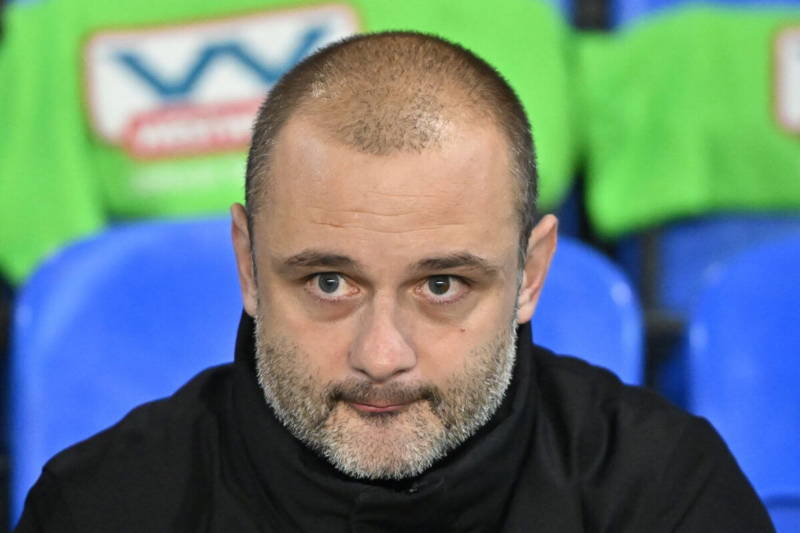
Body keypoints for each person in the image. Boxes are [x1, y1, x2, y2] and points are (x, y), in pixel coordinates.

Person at [15, 32, 774, 532]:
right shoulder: (104, 508)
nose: (381, 356)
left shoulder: (662, 494)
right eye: (329, 282)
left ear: (531, 275)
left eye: (441, 285)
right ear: (247, 265)